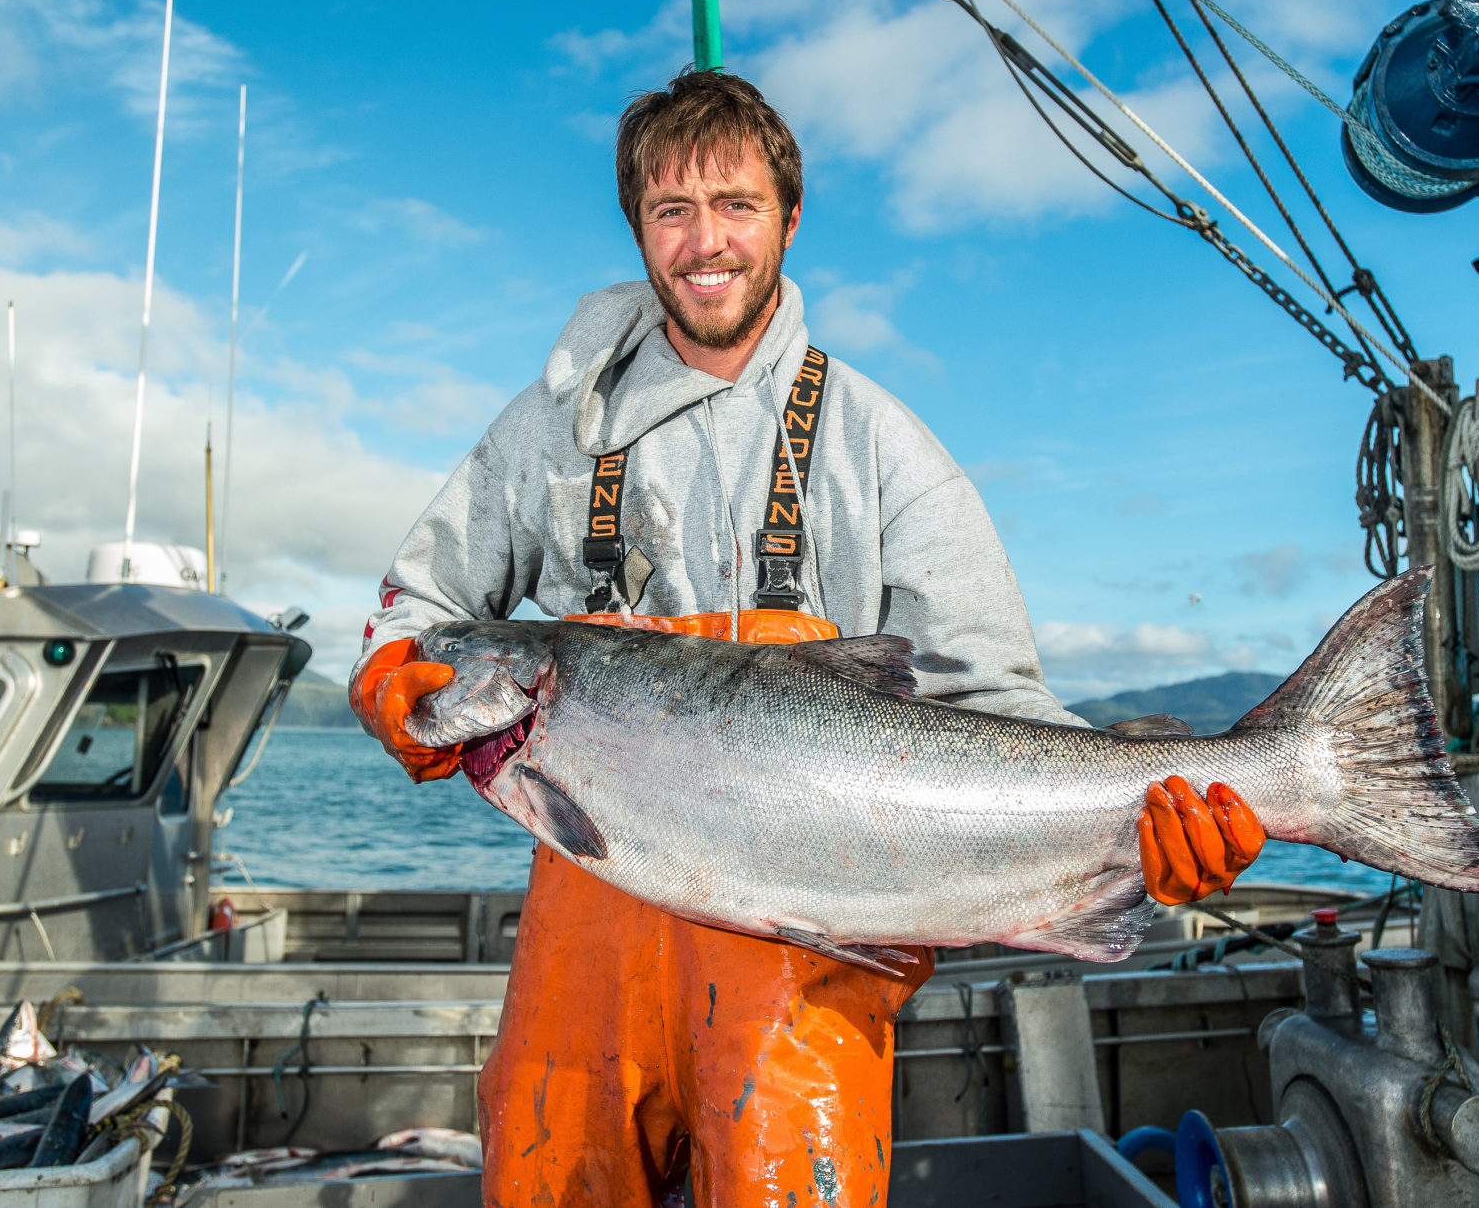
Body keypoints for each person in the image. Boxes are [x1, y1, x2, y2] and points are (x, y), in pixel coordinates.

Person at [352, 70, 1263, 1207]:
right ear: (636, 227)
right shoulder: (549, 427)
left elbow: (996, 706)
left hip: (813, 957)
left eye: (734, 204)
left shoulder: (879, 442)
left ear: (788, 217)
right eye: (670, 211)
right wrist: (397, 677)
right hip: (591, 954)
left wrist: (1153, 813)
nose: (704, 243)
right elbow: (413, 611)